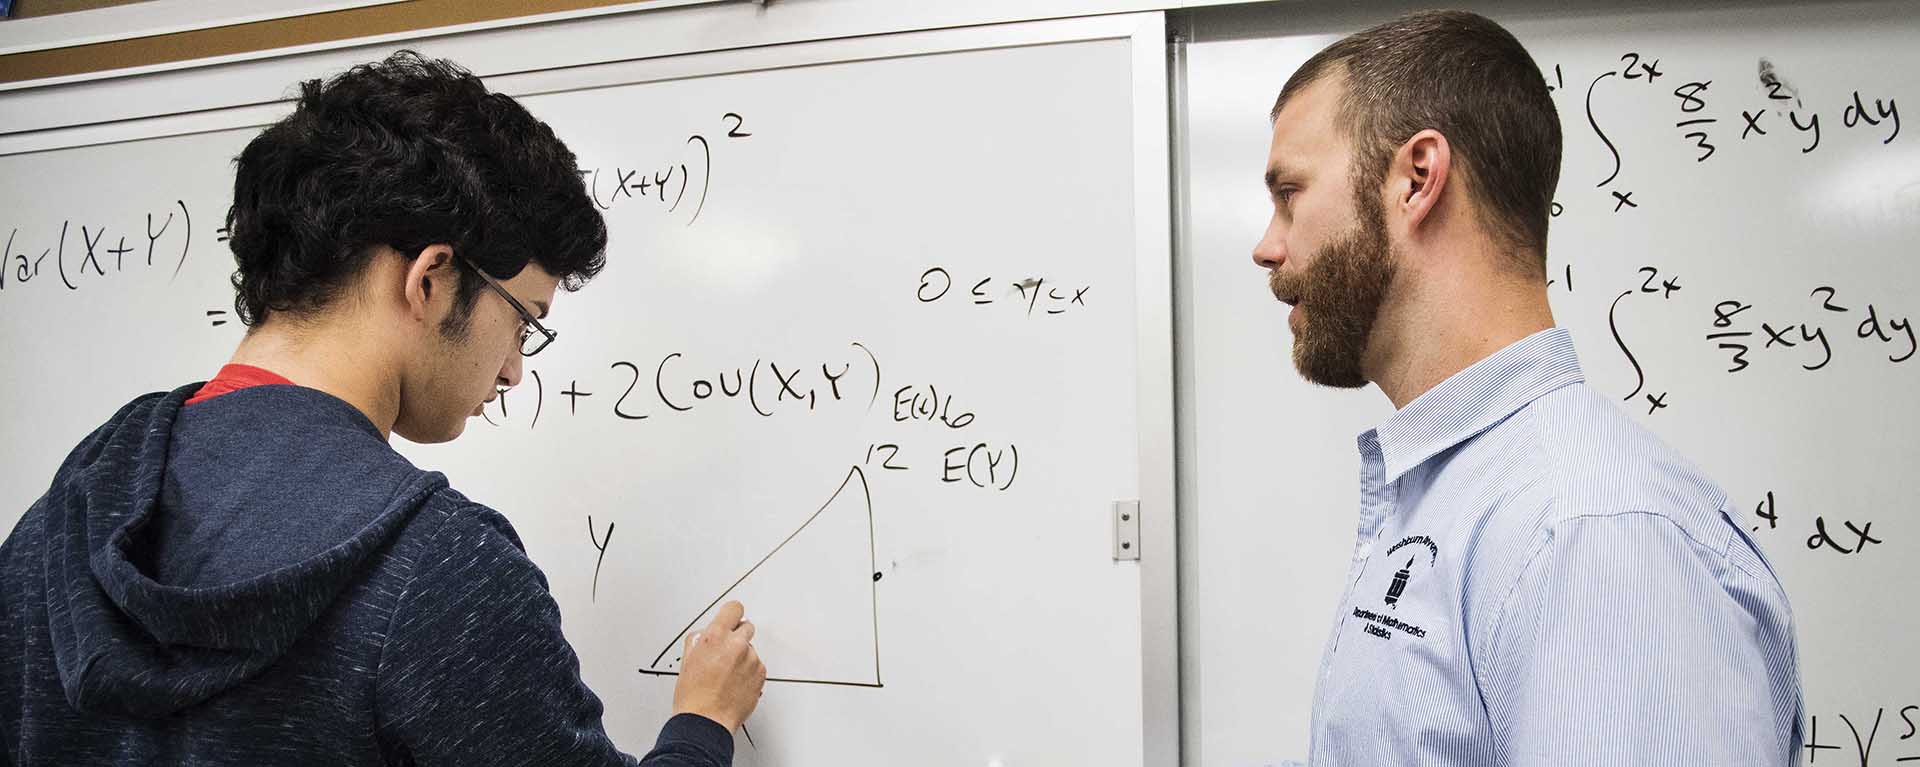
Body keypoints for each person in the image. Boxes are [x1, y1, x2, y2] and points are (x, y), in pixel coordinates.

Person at [0, 51, 765, 766]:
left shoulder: (58, 527)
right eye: (523, 320)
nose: (514, 370)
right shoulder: (438, 568)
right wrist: (702, 721)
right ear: (431, 278)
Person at [1251, 10, 1802, 765]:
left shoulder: (1595, 537)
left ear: (1416, 179)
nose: (1268, 245)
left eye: (1290, 193)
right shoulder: (1463, 498)